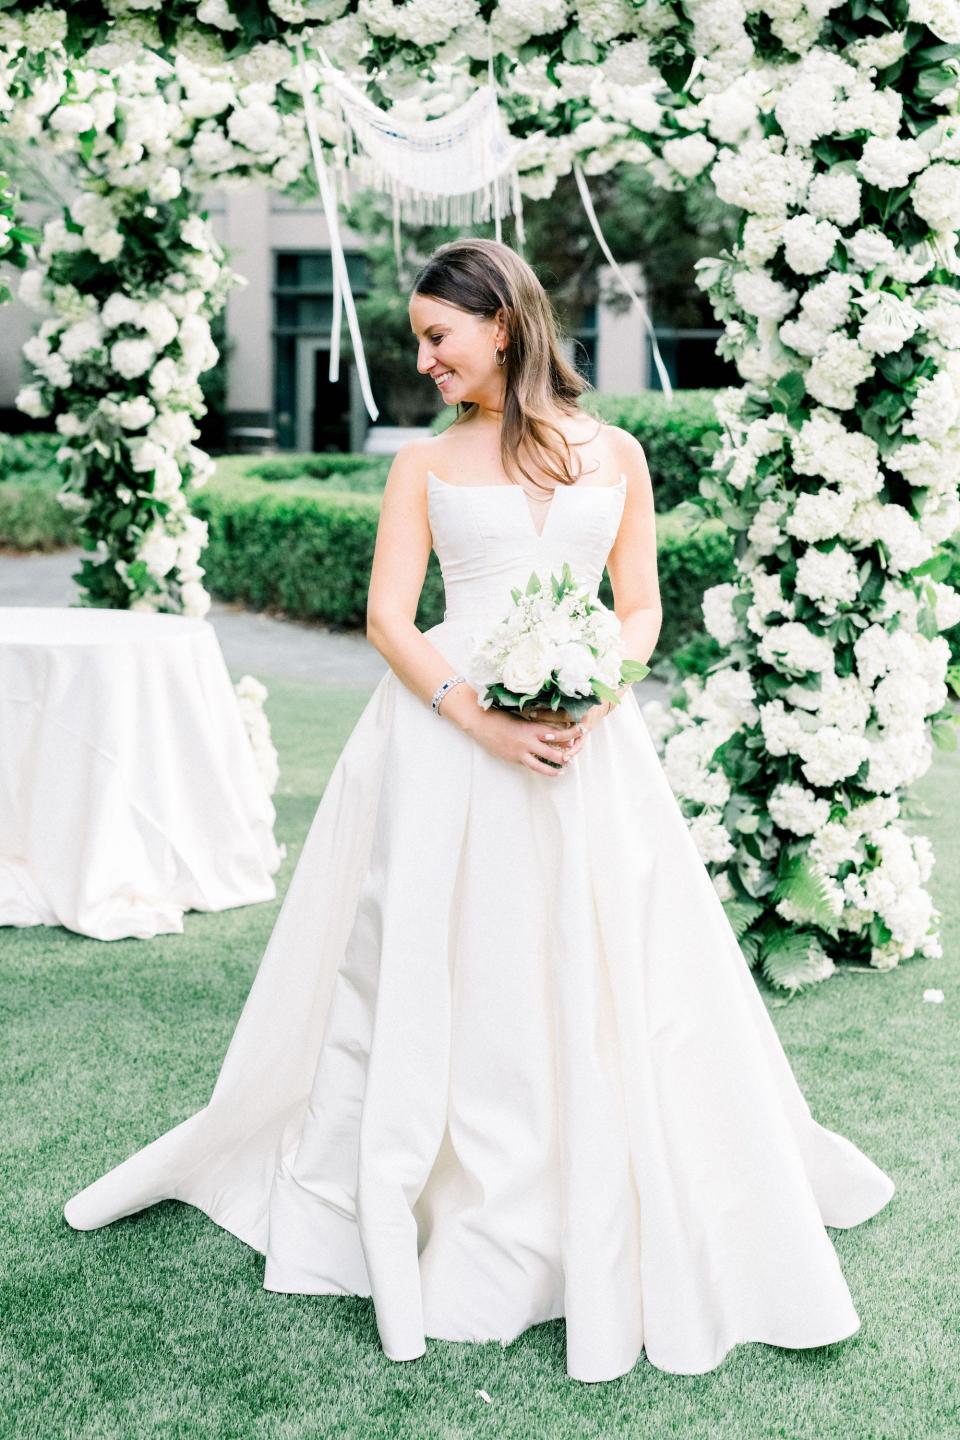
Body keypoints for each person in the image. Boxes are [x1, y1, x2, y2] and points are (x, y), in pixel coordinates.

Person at [64, 237, 895, 1384]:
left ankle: (602, 1174)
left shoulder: (618, 454)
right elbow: (390, 620)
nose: (426, 360)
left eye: (438, 336)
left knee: (607, 957)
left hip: (587, 746)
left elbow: (641, 605)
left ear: (502, 324)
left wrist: (599, 689)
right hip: (449, 741)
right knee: (457, 954)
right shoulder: (423, 463)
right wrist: (483, 719)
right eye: (419, 341)